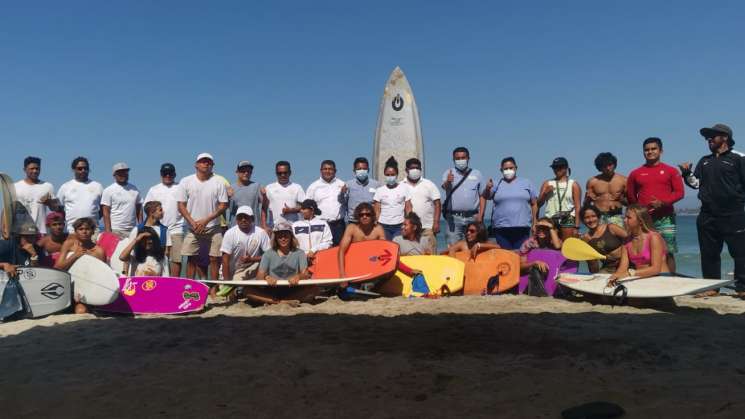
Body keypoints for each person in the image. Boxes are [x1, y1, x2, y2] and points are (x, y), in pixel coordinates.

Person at [680, 123, 745, 297]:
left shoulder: (739, 157)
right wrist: (687, 174)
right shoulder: (704, 160)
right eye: (707, 136)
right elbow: (697, 184)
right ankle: (711, 288)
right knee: (709, 254)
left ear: (725, 138)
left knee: (740, 253)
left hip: (734, 214)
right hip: (707, 215)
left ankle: (742, 288)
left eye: (713, 136)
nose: (709, 139)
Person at [627, 137, 684, 273]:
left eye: (653, 149)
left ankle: (672, 283)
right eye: (646, 150)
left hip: (666, 218)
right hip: (645, 220)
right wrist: (639, 212)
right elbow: (630, 196)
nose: (650, 152)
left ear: (661, 151)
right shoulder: (635, 173)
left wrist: (663, 202)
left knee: (668, 251)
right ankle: (649, 280)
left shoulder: (671, 171)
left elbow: (680, 192)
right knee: (645, 251)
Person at [176, 153, 229, 285]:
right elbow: (180, 205)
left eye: (209, 162)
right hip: (192, 228)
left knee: (214, 258)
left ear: (212, 165)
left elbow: (224, 205)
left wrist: (206, 220)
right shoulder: (186, 181)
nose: (206, 164)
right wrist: (192, 222)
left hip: (214, 227)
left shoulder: (218, 182)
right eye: (203, 161)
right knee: (191, 258)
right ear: (196, 164)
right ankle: (188, 286)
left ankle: (213, 288)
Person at [251, 221, 314, 305]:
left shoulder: (300, 253)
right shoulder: (268, 254)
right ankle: (281, 302)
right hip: (272, 289)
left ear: (291, 237)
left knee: (315, 289)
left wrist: (298, 276)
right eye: (280, 236)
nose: (283, 238)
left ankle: (282, 300)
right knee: (247, 290)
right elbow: (259, 276)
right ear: (275, 238)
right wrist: (266, 277)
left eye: (286, 236)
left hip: (292, 289)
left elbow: (305, 273)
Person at [482, 157, 538, 250]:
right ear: (501, 170)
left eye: (511, 168)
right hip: (501, 229)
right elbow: (486, 196)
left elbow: (534, 204)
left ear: (516, 168)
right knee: (504, 256)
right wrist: (487, 188)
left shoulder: (527, 183)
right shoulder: (496, 184)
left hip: (522, 228)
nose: (508, 170)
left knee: (521, 255)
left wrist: (535, 222)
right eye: (506, 169)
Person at [608, 205, 671, 286]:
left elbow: (656, 269)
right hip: (642, 279)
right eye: (624, 217)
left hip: (662, 279)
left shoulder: (653, 237)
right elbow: (622, 268)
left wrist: (629, 273)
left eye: (628, 218)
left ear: (640, 221)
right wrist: (615, 277)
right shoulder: (626, 241)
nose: (624, 220)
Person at [54, 217, 106, 314]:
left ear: (93, 231)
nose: (84, 232)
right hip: (66, 287)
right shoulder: (68, 244)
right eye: (81, 229)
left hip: (87, 289)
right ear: (75, 231)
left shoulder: (99, 251)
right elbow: (57, 268)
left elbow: (102, 276)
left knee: (81, 311)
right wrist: (75, 256)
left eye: (87, 229)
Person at [144, 163, 185, 276]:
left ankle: (175, 284)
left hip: (177, 228)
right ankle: (160, 281)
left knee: (176, 259)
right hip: (158, 229)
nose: (167, 176)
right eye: (165, 173)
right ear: (161, 174)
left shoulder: (181, 188)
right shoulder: (153, 189)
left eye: (170, 173)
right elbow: (147, 208)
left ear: (175, 174)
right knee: (157, 258)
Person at [441, 147, 486, 245]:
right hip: (454, 218)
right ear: (453, 160)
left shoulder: (477, 174)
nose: (460, 160)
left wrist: (481, 216)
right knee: (453, 248)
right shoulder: (448, 173)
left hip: (473, 218)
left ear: (468, 158)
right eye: (457, 158)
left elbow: (482, 195)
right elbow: (445, 187)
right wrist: (448, 181)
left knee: (474, 247)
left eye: (463, 157)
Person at [220, 206, 271, 282]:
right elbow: (225, 260)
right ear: (236, 220)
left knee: (264, 265)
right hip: (231, 272)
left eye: (246, 217)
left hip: (251, 269)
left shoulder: (261, 233)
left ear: (252, 219)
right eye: (240, 217)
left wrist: (252, 259)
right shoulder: (230, 234)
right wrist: (227, 282)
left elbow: (270, 255)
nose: (243, 220)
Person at [337, 202, 386, 278]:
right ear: (357, 216)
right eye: (361, 215)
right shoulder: (351, 228)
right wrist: (342, 274)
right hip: (354, 265)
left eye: (368, 214)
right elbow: (341, 251)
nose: (364, 217)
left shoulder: (378, 229)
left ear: (372, 216)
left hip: (372, 265)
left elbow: (384, 252)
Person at [14, 156, 60, 235]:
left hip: (40, 231)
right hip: (21, 231)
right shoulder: (15, 186)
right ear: (24, 170)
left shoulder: (48, 186)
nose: (35, 171)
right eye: (31, 169)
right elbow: (8, 210)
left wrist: (49, 202)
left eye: (37, 168)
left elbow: (57, 208)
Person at [403, 158, 441, 254]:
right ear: (406, 170)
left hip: (427, 228)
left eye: (417, 168)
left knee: (430, 256)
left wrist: (436, 222)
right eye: (412, 168)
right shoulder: (401, 185)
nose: (415, 170)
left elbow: (437, 204)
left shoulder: (429, 184)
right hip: (409, 229)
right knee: (410, 256)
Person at [538, 157, 581, 239]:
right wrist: (544, 193)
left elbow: (578, 206)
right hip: (551, 218)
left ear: (566, 168)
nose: (557, 170)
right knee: (551, 246)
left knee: (567, 245)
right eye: (554, 167)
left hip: (568, 217)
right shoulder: (547, 183)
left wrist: (577, 226)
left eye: (560, 167)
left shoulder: (574, 184)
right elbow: (539, 204)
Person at [57, 157, 104, 232]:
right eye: (80, 168)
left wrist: (95, 218)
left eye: (86, 168)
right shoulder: (65, 187)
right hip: (71, 231)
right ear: (73, 170)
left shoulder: (98, 186)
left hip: (93, 230)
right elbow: (59, 208)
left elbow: (103, 208)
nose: (83, 170)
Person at [305, 160, 346, 245]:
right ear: (321, 170)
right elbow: (307, 207)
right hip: (320, 225)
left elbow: (347, 203)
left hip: (338, 225)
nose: (327, 171)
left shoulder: (342, 184)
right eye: (325, 169)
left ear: (335, 171)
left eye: (330, 169)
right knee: (321, 251)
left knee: (339, 251)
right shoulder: (313, 187)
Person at [579, 204, 628, 273]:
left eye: (593, 216)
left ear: (598, 217)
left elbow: (632, 239)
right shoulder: (586, 239)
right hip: (608, 267)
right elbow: (593, 264)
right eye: (587, 217)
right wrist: (595, 277)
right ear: (583, 220)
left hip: (625, 264)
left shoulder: (611, 228)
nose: (591, 220)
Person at [373, 157, 412, 240]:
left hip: (399, 225)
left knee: (398, 248)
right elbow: (377, 210)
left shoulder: (404, 188)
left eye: (392, 174)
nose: (390, 177)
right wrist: (375, 224)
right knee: (385, 248)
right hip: (383, 225)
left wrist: (408, 222)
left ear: (397, 174)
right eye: (387, 175)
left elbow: (408, 208)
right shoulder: (379, 190)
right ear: (384, 174)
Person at [101, 162, 143, 239]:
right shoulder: (108, 190)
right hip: (116, 230)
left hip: (132, 230)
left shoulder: (134, 189)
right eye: (120, 173)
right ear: (114, 175)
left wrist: (141, 227)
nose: (123, 175)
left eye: (125, 172)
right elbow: (105, 212)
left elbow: (139, 210)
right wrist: (108, 231)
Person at [584, 152, 627, 227]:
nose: (608, 168)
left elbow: (631, 203)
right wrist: (588, 199)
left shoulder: (624, 180)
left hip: (617, 216)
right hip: (599, 217)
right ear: (600, 167)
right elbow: (585, 205)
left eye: (610, 165)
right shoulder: (592, 182)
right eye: (604, 166)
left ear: (614, 164)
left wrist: (621, 199)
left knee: (618, 238)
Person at [261, 161, 305, 230]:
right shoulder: (269, 188)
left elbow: (304, 207)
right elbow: (264, 209)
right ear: (276, 173)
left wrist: (291, 210)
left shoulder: (297, 187)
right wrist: (264, 226)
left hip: (292, 228)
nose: (282, 175)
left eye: (285, 173)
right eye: (279, 173)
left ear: (290, 173)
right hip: (274, 229)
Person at [341, 157, 381, 224]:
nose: (362, 171)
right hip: (353, 222)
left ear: (368, 170)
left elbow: (379, 204)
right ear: (354, 170)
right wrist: (342, 193)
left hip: (370, 222)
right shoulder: (348, 185)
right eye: (359, 169)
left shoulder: (376, 185)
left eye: (364, 169)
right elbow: (343, 203)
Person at [229, 161, 262, 227]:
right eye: (243, 171)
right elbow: (225, 208)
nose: (246, 173)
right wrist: (228, 197)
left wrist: (264, 195)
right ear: (237, 172)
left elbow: (265, 206)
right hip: (236, 228)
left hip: (254, 228)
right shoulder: (230, 188)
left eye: (249, 171)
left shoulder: (257, 186)